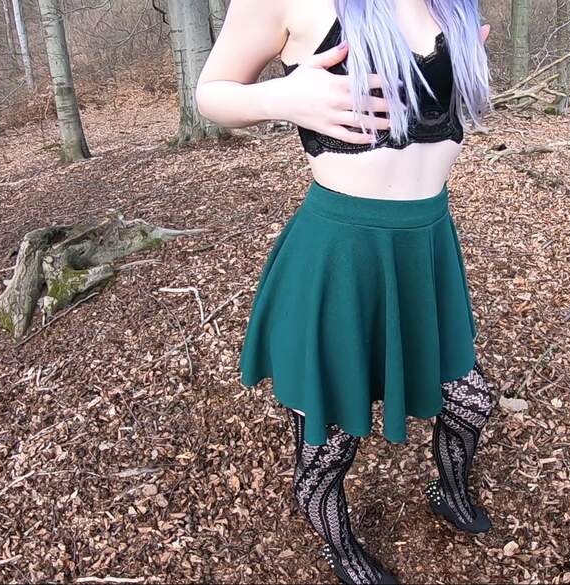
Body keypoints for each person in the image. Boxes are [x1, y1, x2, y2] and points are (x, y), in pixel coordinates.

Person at [196, 1, 495, 583]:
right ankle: (341, 546)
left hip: (426, 249)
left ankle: (449, 489)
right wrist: (280, 99)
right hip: (341, 260)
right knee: (329, 445)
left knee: (470, 400)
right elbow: (211, 93)